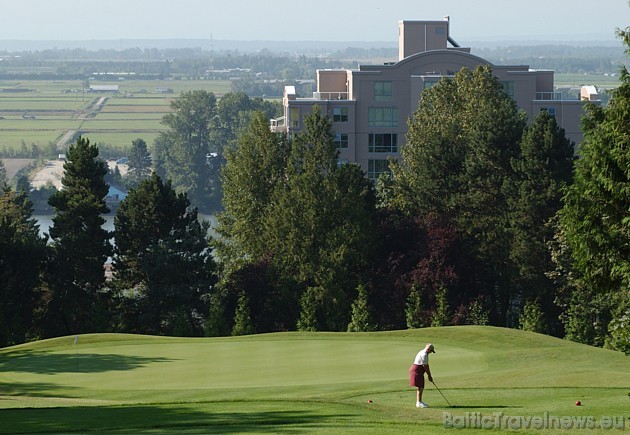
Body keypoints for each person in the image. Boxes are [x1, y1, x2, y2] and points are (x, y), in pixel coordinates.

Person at [408, 343, 435, 408]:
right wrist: (429, 376)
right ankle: (419, 402)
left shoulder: (423, 351)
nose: (431, 352)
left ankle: (419, 401)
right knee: (420, 386)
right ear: (428, 349)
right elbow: (426, 366)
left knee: (421, 386)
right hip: (416, 370)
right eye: (431, 351)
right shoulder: (424, 354)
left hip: (418, 370)